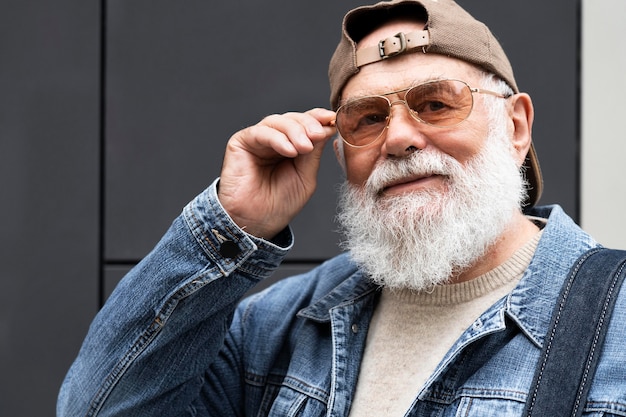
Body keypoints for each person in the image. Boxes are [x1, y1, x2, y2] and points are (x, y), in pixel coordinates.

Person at [58, 0, 626, 416]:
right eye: (368, 118)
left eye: (436, 103)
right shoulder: (279, 328)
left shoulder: (615, 321)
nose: (399, 138)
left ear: (516, 125)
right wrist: (232, 228)